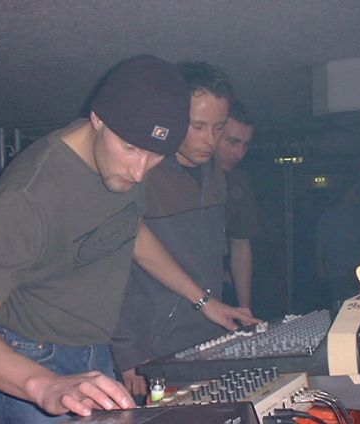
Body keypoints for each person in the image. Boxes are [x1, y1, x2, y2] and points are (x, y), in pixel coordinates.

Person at [0, 55, 250, 423]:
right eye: (131, 149)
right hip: (29, 359)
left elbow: (129, 228)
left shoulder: (123, 158)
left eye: (155, 156)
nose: (139, 172)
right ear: (98, 119)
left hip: (94, 352)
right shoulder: (30, 195)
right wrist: (44, 385)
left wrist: (203, 301)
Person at [110, 62, 259, 398]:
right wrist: (127, 352)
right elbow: (111, 267)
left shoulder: (217, 174)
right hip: (150, 347)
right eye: (198, 126)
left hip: (203, 337)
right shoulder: (139, 172)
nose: (210, 140)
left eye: (218, 127)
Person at [214, 100, 259, 320]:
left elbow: (240, 244)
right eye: (232, 142)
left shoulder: (238, 180)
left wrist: (244, 309)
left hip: (212, 295)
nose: (239, 154)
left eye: (245, 145)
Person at [315, 181, 360, 308]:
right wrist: (320, 267)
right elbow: (320, 243)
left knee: (359, 303)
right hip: (338, 270)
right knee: (341, 303)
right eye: (356, 193)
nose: (359, 196)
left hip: (357, 270)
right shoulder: (329, 215)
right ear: (346, 194)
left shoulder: (359, 215)